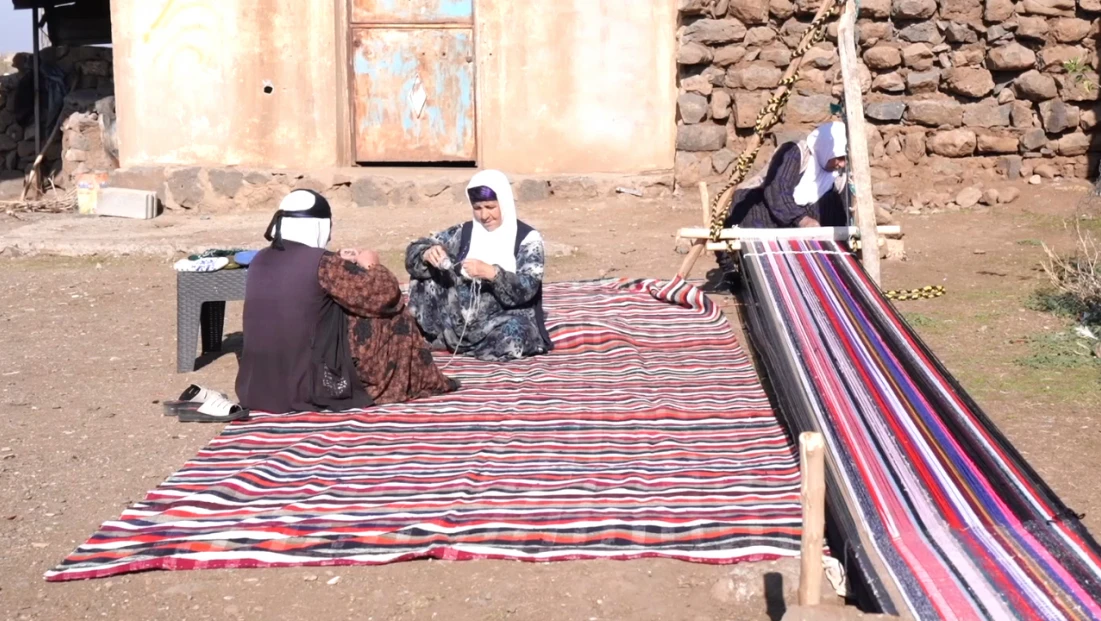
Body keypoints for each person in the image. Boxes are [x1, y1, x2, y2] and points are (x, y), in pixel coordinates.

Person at [235, 190, 458, 413]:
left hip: (259, 387)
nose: (330, 236)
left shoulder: (260, 258)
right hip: (308, 384)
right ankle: (417, 380)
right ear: (319, 226)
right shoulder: (324, 264)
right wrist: (372, 264)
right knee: (396, 316)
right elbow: (385, 294)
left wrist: (338, 259)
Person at [405, 170, 552, 362]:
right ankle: (444, 337)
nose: (484, 215)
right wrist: (427, 253)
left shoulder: (527, 239)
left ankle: (470, 345)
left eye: (491, 207)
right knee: (425, 274)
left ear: (504, 203)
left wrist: (492, 273)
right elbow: (415, 250)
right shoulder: (465, 232)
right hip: (457, 320)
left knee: (516, 334)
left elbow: (528, 286)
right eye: (478, 208)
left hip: (501, 320)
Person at [723, 121, 850, 230]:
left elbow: (844, 211)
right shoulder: (794, 152)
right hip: (765, 208)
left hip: (800, 225)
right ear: (826, 149)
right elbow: (776, 190)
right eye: (838, 157)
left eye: (845, 158)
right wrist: (802, 220)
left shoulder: (838, 176)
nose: (842, 164)